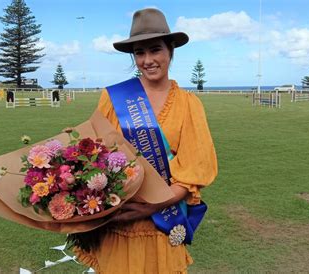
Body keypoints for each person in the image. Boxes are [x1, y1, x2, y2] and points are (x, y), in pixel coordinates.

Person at [73, 8, 218, 273]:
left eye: (155, 50)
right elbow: (88, 156)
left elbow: (194, 171)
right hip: (116, 225)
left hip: (160, 225)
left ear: (170, 50)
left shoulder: (189, 104)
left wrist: (149, 207)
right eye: (139, 53)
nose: (147, 60)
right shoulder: (113, 98)